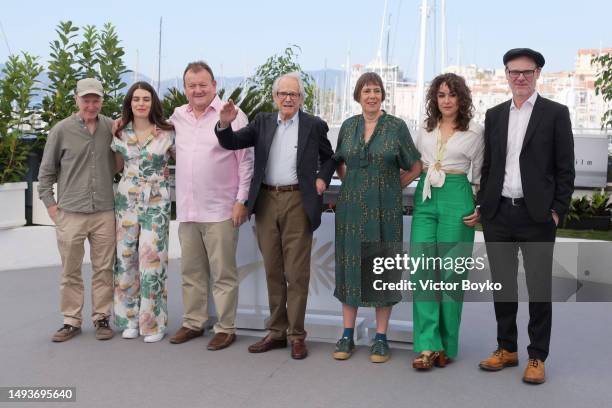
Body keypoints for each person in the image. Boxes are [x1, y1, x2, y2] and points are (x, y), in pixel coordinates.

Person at [215, 72, 336, 359]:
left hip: (298, 201)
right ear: (275, 97)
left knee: (296, 273)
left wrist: (323, 178)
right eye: (283, 93)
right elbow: (230, 142)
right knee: (272, 270)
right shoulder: (262, 123)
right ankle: (277, 332)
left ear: (301, 98)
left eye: (294, 94)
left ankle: (296, 335)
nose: (288, 98)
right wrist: (224, 123)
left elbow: (330, 156)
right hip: (267, 201)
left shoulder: (313, 125)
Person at [476, 48, 575, 384]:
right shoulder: (494, 114)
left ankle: (537, 356)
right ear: (506, 75)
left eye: (526, 72)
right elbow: (489, 165)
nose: (520, 77)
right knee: (502, 286)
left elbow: (566, 169)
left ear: (537, 75)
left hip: (537, 217)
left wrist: (557, 211)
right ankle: (507, 349)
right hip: (499, 213)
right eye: (513, 72)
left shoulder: (556, 114)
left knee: (538, 287)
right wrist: (483, 203)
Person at [332, 72, 422, 363]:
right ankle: (347, 335)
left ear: (383, 95)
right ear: (357, 95)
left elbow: (416, 165)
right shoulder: (347, 127)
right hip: (350, 211)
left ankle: (381, 338)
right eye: (366, 90)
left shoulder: (396, 127)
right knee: (350, 268)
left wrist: (394, 187)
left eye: (376, 90)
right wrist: (351, 185)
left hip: (385, 212)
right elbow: (339, 164)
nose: (371, 95)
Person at [168, 61, 253, 351]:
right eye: (192, 85)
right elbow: (152, 134)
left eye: (203, 84)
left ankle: (226, 327)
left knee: (223, 274)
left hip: (221, 210)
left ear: (214, 85)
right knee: (190, 272)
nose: (198, 90)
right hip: (189, 210)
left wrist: (241, 200)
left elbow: (246, 161)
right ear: (185, 88)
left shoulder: (233, 115)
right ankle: (193, 321)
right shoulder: (178, 116)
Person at [409, 73, 483, 369]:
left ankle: (447, 346)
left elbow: (481, 175)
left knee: (453, 274)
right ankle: (427, 345)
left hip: (458, 195)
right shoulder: (424, 130)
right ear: (434, 99)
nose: (447, 100)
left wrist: (481, 207)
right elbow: (415, 166)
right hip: (426, 196)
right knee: (421, 270)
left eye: (452, 94)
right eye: (441, 95)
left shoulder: (475, 132)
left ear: (461, 98)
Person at [38, 78, 116, 342]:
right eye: (86, 100)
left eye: (96, 100)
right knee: (70, 270)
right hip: (70, 213)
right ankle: (71, 321)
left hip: (104, 211)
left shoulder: (111, 127)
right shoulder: (60, 130)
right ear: (76, 99)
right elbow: (46, 173)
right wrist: (51, 207)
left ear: (102, 101)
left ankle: (102, 317)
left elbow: (121, 163)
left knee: (104, 268)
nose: (91, 105)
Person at [112, 81, 175, 343]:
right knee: (125, 261)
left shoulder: (168, 133)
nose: (140, 103)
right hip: (126, 202)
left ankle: (152, 323)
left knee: (152, 262)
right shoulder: (118, 133)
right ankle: (129, 319)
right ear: (129, 103)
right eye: (136, 99)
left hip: (157, 203)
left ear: (153, 103)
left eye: (146, 99)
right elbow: (116, 166)